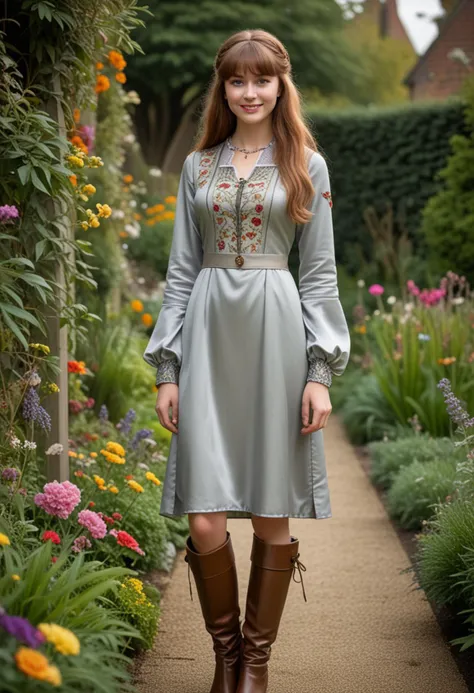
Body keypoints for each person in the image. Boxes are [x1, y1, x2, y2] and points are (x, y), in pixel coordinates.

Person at [143, 28, 351, 693]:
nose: (251, 91)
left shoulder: (306, 166)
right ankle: (225, 652)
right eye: (237, 80)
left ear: (280, 85)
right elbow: (179, 272)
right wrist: (167, 368)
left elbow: (319, 276)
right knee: (203, 514)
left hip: (276, 331)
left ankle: (253, 665)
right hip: (206, 329)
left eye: (262, 79)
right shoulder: (197, 167)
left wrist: (319, 373)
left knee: (268, 502)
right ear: (223, 88)